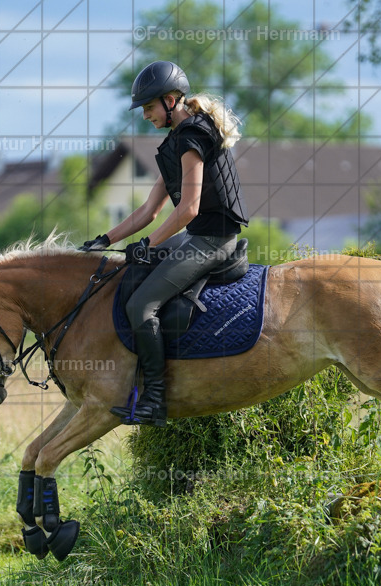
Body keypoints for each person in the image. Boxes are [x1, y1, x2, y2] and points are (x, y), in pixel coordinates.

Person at [80, 60, 249, 427]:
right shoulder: (176, 141)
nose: (144, 116)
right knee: (130, 276)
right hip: (196, 235)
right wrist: (104, 239)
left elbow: (188, 209)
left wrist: (147, 245)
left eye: (149, 107)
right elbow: (148, 210)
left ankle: (154, 400)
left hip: (213, 239)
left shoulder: (192, 139)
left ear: (171, 100)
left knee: (142, 304)